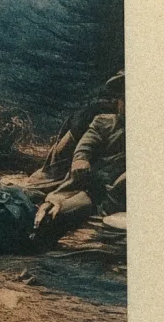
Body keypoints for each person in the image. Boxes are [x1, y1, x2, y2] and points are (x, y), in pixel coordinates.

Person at [35, 71, 125, 242]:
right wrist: (81, 159)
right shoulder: (104, 121)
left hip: (120, 193)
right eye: (123, 98)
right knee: (57, 212)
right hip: (93, 187)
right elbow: (86, 144)